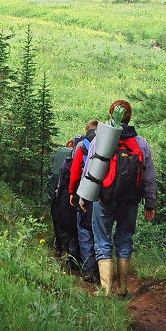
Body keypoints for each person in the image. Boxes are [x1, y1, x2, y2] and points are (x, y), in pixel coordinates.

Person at [84, 100, 156, 296]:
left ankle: (106, 290)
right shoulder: (141, 144)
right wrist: (150, 203)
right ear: (130, 117)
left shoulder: (101, 139)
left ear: (111, 115)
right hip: (130, 200)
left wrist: (84, 198)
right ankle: (123, 288)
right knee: (125, 240)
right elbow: (149, 177)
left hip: (104, 199)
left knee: (102, 240)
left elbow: (89, 171)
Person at [68, 120, 98, 282]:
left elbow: (74, 172)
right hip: (102, 195)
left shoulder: (82, 146)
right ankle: (101, 270)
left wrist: (72, 192)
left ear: (86, 129)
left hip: (85, 193)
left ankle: (88, 271)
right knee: (100, 232)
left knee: (84, 230)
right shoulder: (105, 145)